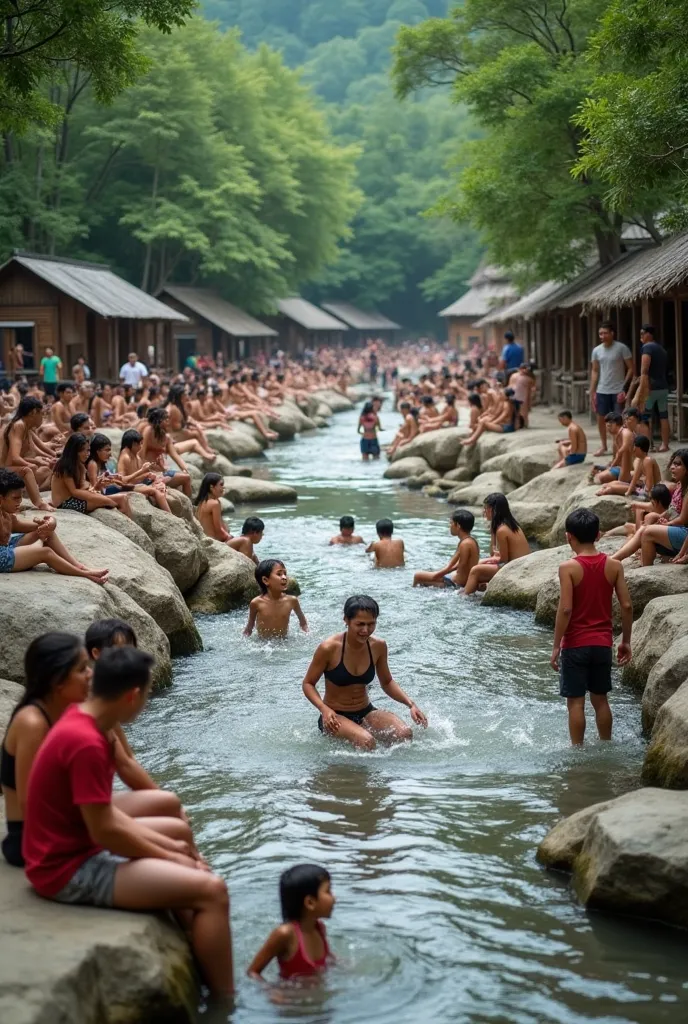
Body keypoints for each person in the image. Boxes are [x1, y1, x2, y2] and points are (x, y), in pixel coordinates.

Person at [23, 645, 234, 998]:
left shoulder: (86, 719)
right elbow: (104, 830)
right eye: (148, 693)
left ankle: (195, 936)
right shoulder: (85, 741)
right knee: (213, 891)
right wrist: (172, 857)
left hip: (74, 846)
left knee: (180, 838)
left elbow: (106, 818)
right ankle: (226, 1001)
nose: (147, 701)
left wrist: (176, 848)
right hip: (65, 870)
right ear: (132, 695)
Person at [301, 595, 427, 751]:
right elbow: (308, 684)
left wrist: (411, 704)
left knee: (404, 734)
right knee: (366, 741)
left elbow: (387, 682)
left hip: (366, 711)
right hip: (334, 716)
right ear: (346, 620)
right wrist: (324, 709)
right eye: (360, 624)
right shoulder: (329, 648)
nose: (365, 630)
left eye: (371, 624)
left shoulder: (378, 646)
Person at [550, 508, 632, 746]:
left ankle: (577, 751)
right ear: (598, 535)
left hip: (575, 645)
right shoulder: (614, 565)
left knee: (576, 703)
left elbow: (565, 610)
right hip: (602, 644)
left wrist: (556, 646)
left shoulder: (568, 568)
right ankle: (606, 745)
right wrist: (626, 640)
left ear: (568, 536)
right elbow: (626, 606)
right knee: (601, 700)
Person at [0, 469, 108, 582]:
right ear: (1, 498)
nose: (20, 502)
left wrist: (51, 522)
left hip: (8, 546)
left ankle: (78, 566)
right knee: (45, 552)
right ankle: (85, 574)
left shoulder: (8, 515)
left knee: (47, 532)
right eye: (15, 498)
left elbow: (34, 527)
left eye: (21, 496)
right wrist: (37, 545)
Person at [248, 864, 335, 981]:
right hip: (290, 997)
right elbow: (252, 972)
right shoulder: (285, 934)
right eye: (328, 891)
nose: (334, 898)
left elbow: (328, 959)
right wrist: (271, 991)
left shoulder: (319, 928)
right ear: (310, 902)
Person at [612, 450, 688, 562]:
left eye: (678, 464)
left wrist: (666, 523)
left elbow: (682, 519)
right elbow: (672, 509)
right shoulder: (680, 485)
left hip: (684, 532)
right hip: (676, 527)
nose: (672, 467)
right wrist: (662, 518)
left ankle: (641, 564)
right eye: (673, 463)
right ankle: (617, 557)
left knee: (647, 531)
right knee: (648, 521)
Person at [463, 493, 530, 595]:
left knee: (475, 570)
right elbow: (494, 553)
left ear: (493, 509)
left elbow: (504, 560)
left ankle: (464, 597)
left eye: (486, 508)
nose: (484, 511)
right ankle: (475, 589)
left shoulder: (502, 530)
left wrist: (489, 561)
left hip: (516, 568)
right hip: (519, 564)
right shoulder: (509, 525)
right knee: (480, 564)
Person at [51, 433, 127, 515]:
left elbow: (84, 487)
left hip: (76, 499)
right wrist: (103, 499)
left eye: (88, 450)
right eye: (83, 450)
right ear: (74, 451)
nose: (87, 453)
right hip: (64, 504)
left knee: (122, 498)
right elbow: (74, 491)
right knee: (109, 502)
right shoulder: (65, 466)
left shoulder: (79, 465)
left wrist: (97, 487)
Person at [0, 395, 55, 510]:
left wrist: (53, 455)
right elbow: (14, 457)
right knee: (27, 470)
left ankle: (28, 492)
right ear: (33, 412)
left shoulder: (25, 426)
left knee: (40, 467)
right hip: (3, 470)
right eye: (41, 414)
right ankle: (40, 503)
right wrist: (31, 464)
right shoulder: (19, 425)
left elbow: (37, 448)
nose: (42, 418)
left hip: (8, 468)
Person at [589, 323, 633, 456]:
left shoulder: (622, 348)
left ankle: (618, 447)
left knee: (618, 420)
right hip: (602, 389)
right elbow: (595, 371)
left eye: (605, 333)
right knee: (601, 419)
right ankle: (603, 446)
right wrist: (592, 390)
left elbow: (631, 368)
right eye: (600, 334)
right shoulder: (596, 350)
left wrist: (624, 387)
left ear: (612, 333)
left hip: (617, 390)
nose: (602, 336)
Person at [413, 509, 480, 588]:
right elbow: (457, 565)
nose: (450, 526)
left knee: (417, 576)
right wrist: (439, 573)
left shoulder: (465, 544)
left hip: (457, 583)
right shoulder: (470, 541)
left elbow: (456, 566)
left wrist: (435, 576)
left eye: (451, 523)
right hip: (460, 579)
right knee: (428, 575)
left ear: (458, 526)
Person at [243, 558, 307, 638]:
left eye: (285, 573)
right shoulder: (256, 603)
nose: (284, 577)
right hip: (263, 645)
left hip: (284, 643)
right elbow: (249, 628)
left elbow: (303, 623)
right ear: (265, 580)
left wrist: (307, 634)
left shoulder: (292, 601)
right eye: (279, 574)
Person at [638, 324, 670, 451]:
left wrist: (642, 390)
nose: (640, 337)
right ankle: (665, 444)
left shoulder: (647, 347)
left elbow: (644, 371)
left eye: (642, 334)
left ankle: (647, 445)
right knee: (663, 416)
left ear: (648, 334)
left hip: (650, 388)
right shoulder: (661, 349)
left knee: (645, 416)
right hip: (663, 386)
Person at [596, 435, 660, 498]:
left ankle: (607, 490)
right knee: (611, 484)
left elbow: (650, 482)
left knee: (612, 488)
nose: (633, 450)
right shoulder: (641, 461)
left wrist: (648, 494)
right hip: (643, 487)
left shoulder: (647, 460)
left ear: (640, 448)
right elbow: (634, 479)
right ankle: (608, 488)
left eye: (635, 447)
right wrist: (628, 492)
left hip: (652, 491)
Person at [592, 413, 634, 488]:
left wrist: (612, 466)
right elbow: (617, 457)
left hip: (629, 469)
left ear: (615, 424)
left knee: (599, 479)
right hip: (620, 467)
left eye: (609, 426)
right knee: (595, 474)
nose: (608, 429)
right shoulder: (617, 435)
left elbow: (622, 451)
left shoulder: (625, 433)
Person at [195, 472, 232, 542]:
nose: (223, 487)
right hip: (214, 541)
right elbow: (218, 529)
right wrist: (230, 537)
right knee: (245, 541)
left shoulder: (202, 502)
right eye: (221, 485)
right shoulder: (215, 503)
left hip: (205, 540)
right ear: (211, 487)